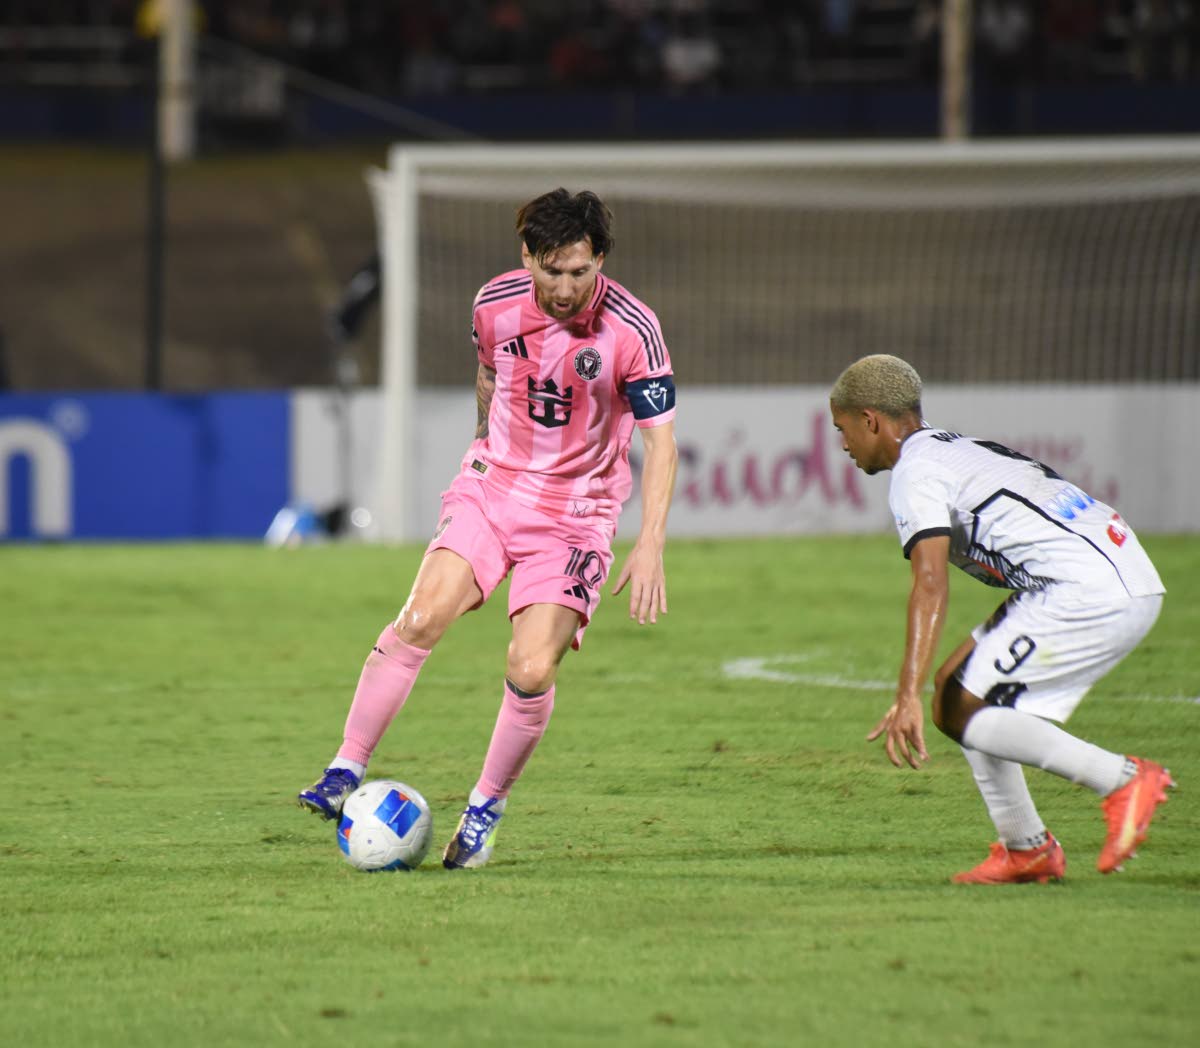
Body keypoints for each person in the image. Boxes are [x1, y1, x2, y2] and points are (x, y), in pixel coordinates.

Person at [298, 188, 678, 869]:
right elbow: (488, 370)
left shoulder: (633, 330)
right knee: (419, 618)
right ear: (525, 256)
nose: (565, 289)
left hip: (576, 518)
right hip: (493, 490)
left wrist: (649, 542)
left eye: (581, 272)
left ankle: (485, 809)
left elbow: (664, 444)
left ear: (601, 261)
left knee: (530, 668)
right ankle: (345, 767)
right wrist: (480, 451)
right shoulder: (495, 303)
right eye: (552, 270)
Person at [829, 354, 1173, 885]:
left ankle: (1121, 779)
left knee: (952, 704)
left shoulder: (916, 473)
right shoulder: (952, 450)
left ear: (870, 420)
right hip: (1116, 569)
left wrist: (905, 695)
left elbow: (929, 582)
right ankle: (1026, 849)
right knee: (959, 692)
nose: (843, 444)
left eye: (843, 428)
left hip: (1087, 588)